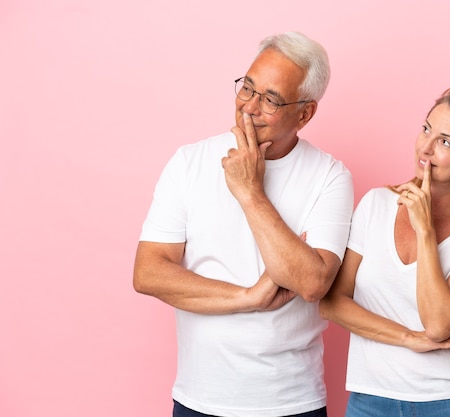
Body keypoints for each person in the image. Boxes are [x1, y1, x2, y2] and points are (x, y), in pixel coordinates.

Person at [133, 32, 354, 417]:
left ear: (304, 113)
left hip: (292, 402)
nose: (249, 107)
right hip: (198, 398)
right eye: (247, 88)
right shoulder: (189, 162)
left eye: (270, 99)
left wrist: (250, 192)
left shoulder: (330, 176)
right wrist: (247, 297)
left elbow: (312, 282)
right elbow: (148, 273)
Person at [319, 85, 450, 417]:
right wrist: (406, 338)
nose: (426, 148)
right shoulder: (376, 204)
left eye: (446, 142)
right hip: (372, 401)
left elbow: (438, 325)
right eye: (426, 129)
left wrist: (426, 230)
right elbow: (332, 303)